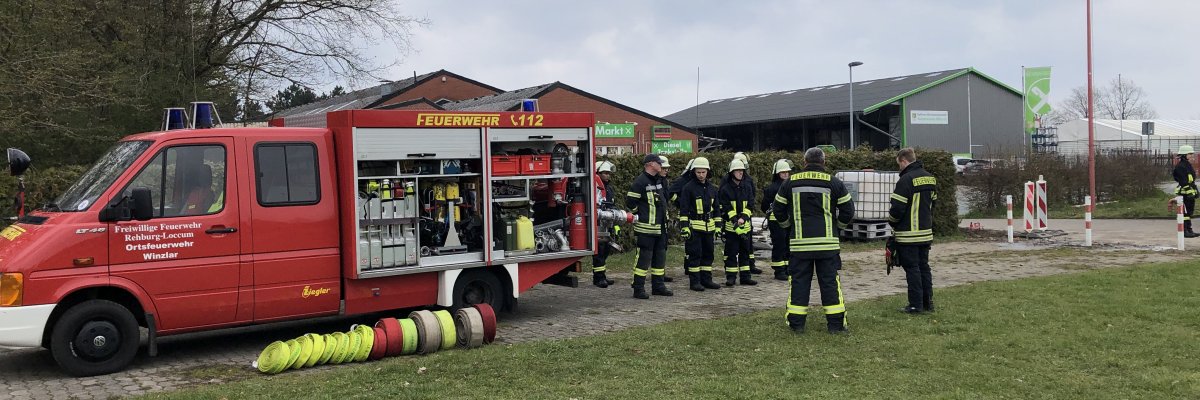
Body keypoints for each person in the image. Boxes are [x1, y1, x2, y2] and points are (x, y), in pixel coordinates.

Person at [773, 147, 854, 334]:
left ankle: (797, 325)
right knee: (830, 283)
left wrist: (788, 227)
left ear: (804, 162)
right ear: (824, 162)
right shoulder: (834, 182)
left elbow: (778, 210)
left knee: (799, 283)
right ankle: (835, 326)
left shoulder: (789, 183)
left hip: (800, 244)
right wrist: (837, 228)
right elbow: (848, 210)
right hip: (828, 244)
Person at [889, 148, 937, 314]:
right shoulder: (930, 178)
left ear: (903, 161)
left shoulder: (905, 180)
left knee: (912, 269)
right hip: (925, 233)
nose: (899, 168)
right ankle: (927, 303)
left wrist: (892, 223)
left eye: (899, 164)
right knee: (924, 267)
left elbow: (897, 209)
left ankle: (915, 305)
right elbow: (933, 204)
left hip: (908, 235)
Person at [626, 154, 672, 299]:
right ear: (651, 164)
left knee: (660, 258)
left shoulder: (659, 180)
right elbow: (630, 203)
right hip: (646, 228)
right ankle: (638, 288)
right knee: (644, 259)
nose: (661, 166)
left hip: (660, 227)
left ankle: (658, 286)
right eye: (659, 163)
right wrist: (642, 216)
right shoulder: (640, 182)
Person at [677, 157, 723, 291]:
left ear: (708, 172)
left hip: (709, 228)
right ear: (693, 172)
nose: (701, 175)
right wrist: (685, 227)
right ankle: (694, 282)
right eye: (698, 172)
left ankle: (707, 280)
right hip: (695, 228)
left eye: (703, 172)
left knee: (709, 254)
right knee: (695, 255)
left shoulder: (713, 189)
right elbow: (684, 210)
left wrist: (719, 226)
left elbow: (717, 209)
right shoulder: (688, 188)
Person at [718, 158, 757, 286]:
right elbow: (726, 207)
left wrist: (743, 218)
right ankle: (731, 277)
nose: (740, 173)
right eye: (738, 171)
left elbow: (751, 204)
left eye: (742, 170)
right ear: (731, 172)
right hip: (731, 228)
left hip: (745, 226)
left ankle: (745, 277)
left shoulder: (747, 187)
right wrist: (735, 220)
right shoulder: (725, 189)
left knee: (745, 252)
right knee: (731, 253)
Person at [761, 159, 792, 281]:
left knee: (787, 245)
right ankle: (779, 271)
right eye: (783, 172)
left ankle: (786, 268)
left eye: (787, 172)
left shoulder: (788, 186)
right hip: (776, 222)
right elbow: (765, 206)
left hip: (787, 221)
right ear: (777, 173)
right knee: (780, 245)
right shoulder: (773, 188)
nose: (785, 174)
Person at [732, 152, 763, 274]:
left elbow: (752, 198)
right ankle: (737, 268)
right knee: (734, 245)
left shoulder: (747, 180)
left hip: (746, 217)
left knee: (748, 243)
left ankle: (750, 265)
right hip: (734, 219)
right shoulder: (730, 180)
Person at [591, 161, 618, 287]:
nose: (608, 176)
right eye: (605, 173)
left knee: (606, 249)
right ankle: (598, 278)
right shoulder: (594, 187)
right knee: (600, 251)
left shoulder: (608, 188)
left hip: (607, 222)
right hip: (598, 222)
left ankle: (603, 276)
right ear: (597, 173)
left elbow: (612, 205)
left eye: (609, 173)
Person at [1173, 145, 1199, 238]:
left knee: (1189, 213)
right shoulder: (1180, 166)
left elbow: (1191, 180)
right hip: (1184, 193)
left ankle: (1189, 230)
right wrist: (1189, 192)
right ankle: (1184, 231)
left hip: (1189, 193)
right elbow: (1183, 181)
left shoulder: (1187, 165)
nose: (1192, 156)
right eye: (1190, 154)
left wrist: (1195, 191)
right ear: (1184, 155)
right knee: (1184, 212)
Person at [657, 156, 674, 282]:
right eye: (664, 168)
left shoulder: (664, 182)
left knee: (663, 247)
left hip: (663, 219)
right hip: (655, 220)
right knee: (656, 248)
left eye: (667, 168)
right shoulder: (654, 182)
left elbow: (666, 198)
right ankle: (657, 275)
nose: (666, 170)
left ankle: (661, 273)